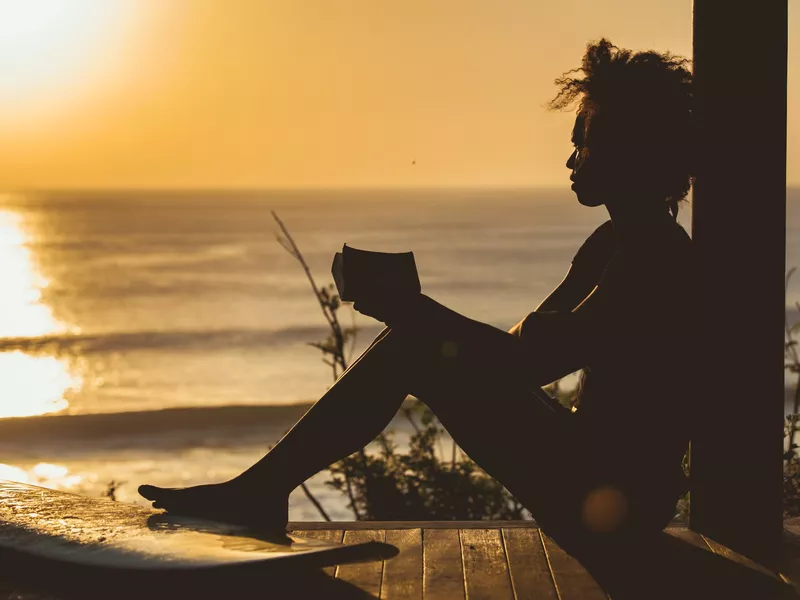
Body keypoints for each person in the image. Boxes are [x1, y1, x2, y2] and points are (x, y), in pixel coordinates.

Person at [139, 38, 698, 545]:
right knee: (415, 342)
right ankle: (258, 490)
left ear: (629, 149)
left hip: (613, 499)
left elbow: (528, 363)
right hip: (596, 476)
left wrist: (418, 314)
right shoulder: (612, 242)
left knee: (413, 344)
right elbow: (518, 354)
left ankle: (257, 492)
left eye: (585, 143)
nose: (572, 160)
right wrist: (418, 316)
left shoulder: (653, 256)